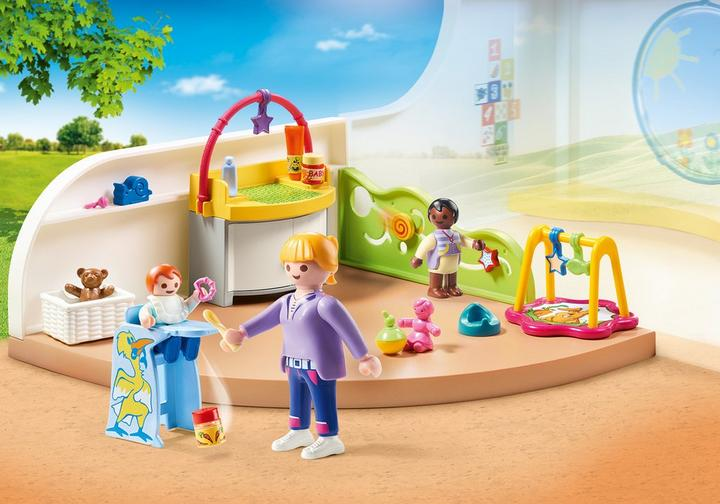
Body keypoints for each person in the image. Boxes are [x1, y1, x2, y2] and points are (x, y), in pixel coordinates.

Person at [221, 233, 382, 460]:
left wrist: (363, 356)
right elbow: (265, 319)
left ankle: (330, 438)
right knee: (297, 398)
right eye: (289, 266)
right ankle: (299, 431)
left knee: (323, 399)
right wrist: (242, 333)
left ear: (328, 268)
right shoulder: (286, 301)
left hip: (318, 365)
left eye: (303, 267)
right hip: (292, 362)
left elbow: (348, 330)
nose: (295, 271)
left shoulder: (326, 304)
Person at [411, 198, 483, 298]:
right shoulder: (434, 237)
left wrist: (475, 244)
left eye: (445, 216)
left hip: (453, 263)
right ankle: (434, 288)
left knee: (452, 273)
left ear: (454, 217)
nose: (439, 219)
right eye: (434, 216)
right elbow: (424, 246)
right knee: (437, 274)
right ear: (429, 217)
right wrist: (418, 257)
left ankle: (452, 287)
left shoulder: (456, 235)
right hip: (438, 263)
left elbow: (465, 241)